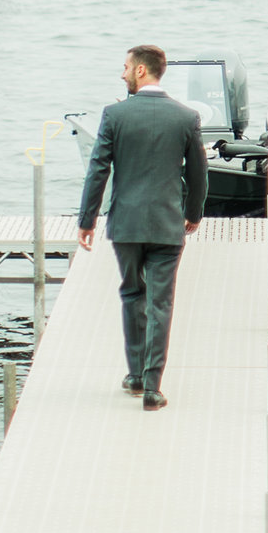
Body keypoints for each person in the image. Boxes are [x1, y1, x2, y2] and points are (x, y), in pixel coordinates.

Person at [77, 44, 208, 410]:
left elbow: (98, 170)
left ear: (140, 71)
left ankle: (135, 376)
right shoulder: (186, 117)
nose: (121, 74)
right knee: (161, 303)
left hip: (127, 225)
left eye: (124, 67)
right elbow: (199, 172)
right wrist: (194, 213)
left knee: (133, 295)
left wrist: (86, 220)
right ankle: (153, 386)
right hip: (168, 225)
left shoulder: (115, 115)